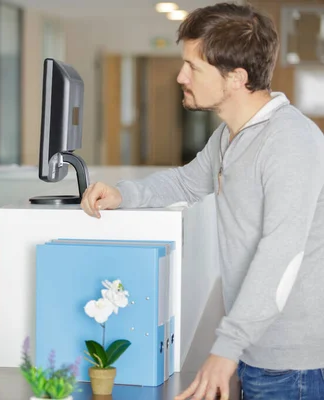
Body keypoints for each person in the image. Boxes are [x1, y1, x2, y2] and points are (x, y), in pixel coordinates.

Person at [81, 3, 324, 400]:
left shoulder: (290, 142)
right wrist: (125, 193)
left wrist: (225, 348)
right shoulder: (232, 136)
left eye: (193, 67)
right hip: (260, 352)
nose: (180, 76)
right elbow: (186, 182)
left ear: (236, 78)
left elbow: (281, 256)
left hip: (294, 365)